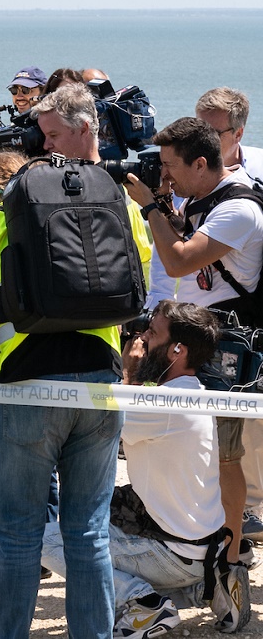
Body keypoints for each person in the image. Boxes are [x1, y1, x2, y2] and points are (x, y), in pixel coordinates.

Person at [0, 111, 126, 636]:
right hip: (99, 385)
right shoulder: (99, 214)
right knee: (88, 534)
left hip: (27, 389)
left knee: (19, 535)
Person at [41, 300, 248, 638]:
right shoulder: (193, 392)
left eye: (152, 333)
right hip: (202, 550)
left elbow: (106, 423)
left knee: (42, 539)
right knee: (104, 513)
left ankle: (145, 604)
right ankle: (209, 588)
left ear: (176, 349)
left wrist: (128, 372)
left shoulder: (160, 405)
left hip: (173, 554)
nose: (141, 339)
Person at [126, 117, 263, 567]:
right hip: (206, 336)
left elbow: (181, 261)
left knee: (224, 456)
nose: (164, 175)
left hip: (230, 347)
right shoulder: (202, 199)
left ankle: (229, 557)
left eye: (170, 166)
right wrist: (165, 203)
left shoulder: (238, 208)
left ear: (201, 163)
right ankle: (212, 546)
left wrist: (149, 206)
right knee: (201, 450)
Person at [195, 88, 263, 544]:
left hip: (240, 326)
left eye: (212, 132)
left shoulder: (252, 179)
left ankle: (242, 524)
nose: (202, 140)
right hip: (191, 320)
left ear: (237, 132)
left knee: (244, 438)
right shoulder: (183, 174)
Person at [33, 83, 153, 275]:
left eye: (53, 135)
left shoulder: (122, 191)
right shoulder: (45, 182)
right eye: (44, 135)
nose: (46, 144)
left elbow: (141, 258)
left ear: (83, 129)